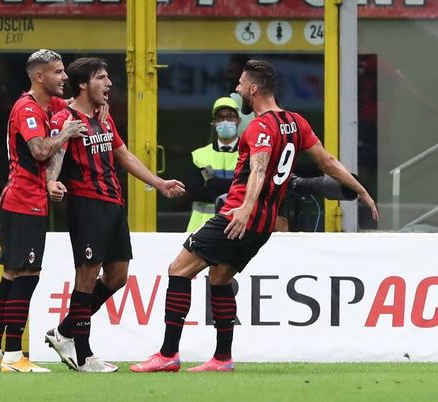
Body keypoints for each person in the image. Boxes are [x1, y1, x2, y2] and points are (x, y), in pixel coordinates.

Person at [130, 59, 378, 373]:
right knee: (219, 278)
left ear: (253, 89)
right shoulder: (295, 122)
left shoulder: (260, 126)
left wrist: (245, 208)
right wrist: (361, 190)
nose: (236, 90)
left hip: (239, 215)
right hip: (265, 224)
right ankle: (221, 358)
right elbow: (327, 161)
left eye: (239, 86)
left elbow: (258, 168)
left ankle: (167, 355)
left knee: (178, 270)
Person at [43, 57, 185, 372]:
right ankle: (83, 355)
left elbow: (123, 155)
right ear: (83, 84)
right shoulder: (66, 119)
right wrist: (52, 182)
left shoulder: (103, 118)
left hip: (114, 204)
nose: (109, 84)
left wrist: (159, 183)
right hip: (86, 205)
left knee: (118, 276)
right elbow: (55, 156)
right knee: (87, 276)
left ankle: (64, 331)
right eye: (102, 78)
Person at [0, 49, 88, 373]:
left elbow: (70, 107)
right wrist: (66, 134)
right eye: (58, 72)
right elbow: (39, 149)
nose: (64, 77)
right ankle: (13, 355)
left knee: (11, 277)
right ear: (39, 77)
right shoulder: (26, 108)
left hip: (26, 200)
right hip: (23, 202)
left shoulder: (46, 104)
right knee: (27, 277)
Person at [186, 97, 241, 232]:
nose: (225, 121)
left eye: (230, 117)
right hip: (202, 226)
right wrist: (233, 188)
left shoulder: (249, 155)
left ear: (238, 121)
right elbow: (195, 191)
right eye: (220, 118)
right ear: (214, 123)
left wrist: (213, 183)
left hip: (237, 223)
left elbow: (251, 188)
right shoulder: (200, 155)